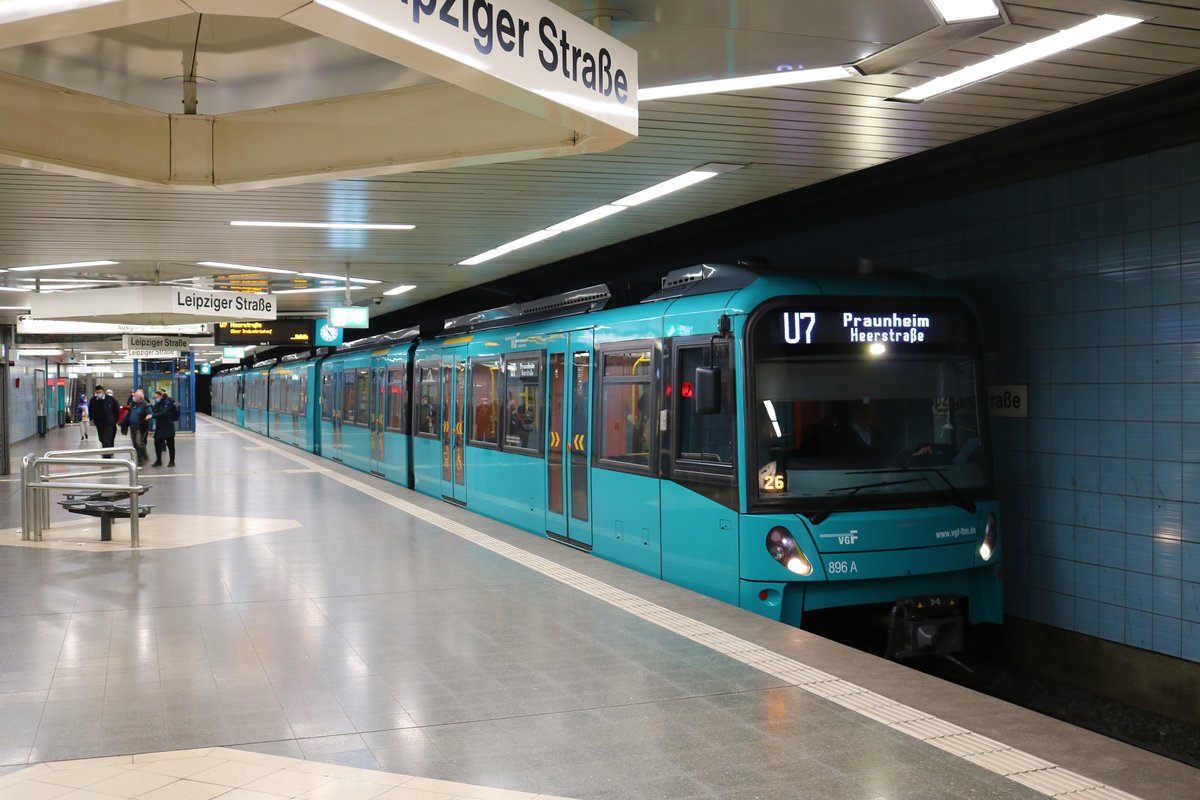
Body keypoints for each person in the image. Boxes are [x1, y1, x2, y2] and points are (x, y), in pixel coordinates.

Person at [120, 389, 153, 465]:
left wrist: (150, 430)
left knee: (139, 443)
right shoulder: (134, 404)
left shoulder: (146, 405)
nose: (133, 397)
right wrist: (123, 423)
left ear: (140, 398)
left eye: (135, 396)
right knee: (135, 443)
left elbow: (150, 417)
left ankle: (141, 459)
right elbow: (129, 414)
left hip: (141, 427)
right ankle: (143, 456)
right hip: (133, 427)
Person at [88, 385, 120, 457]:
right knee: (101, 438)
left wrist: (114, 419)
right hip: (98, 422)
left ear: (103, 391)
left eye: (100, 392)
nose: (98, 394)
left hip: (108, 423)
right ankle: (109, 450)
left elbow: (116, 410)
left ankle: (107, 455)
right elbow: (90, 409)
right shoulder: (93, 400)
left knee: (106, 438)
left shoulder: (110, 399)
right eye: (97, 393)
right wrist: (92, 418)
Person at [149, 389, 177, 467]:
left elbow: (164, 413)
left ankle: (172, 461)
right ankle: (158, 461)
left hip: (168, 427)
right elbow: (156, 412)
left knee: (170, 446)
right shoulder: (159, 403)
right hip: (160, 427)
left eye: (156, 397)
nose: (156, 399)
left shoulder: (168, 402)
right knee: (157, 444)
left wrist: (152, 415)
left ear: (161, 396)